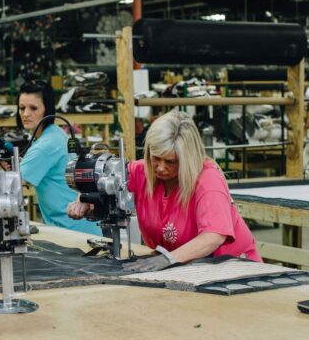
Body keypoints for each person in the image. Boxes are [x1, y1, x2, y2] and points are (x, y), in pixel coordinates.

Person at [68, 109, 260, 272]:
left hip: (231, 269)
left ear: (188, 159)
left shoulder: (207, 180)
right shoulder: (144, 171)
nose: (160, 167)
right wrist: (84, 200)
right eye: (155, 158)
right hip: (186, 267)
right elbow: (103, 178)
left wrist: (166, 259)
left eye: (170, 162)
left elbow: (213, 237)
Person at [16, 80, 101, 235]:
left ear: (47, 110)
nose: (25, 114)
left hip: (74, 232)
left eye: (33, 108)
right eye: (22, 108)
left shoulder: (47, 144)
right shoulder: (54, 134)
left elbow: (10, 184)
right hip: (78, 229)